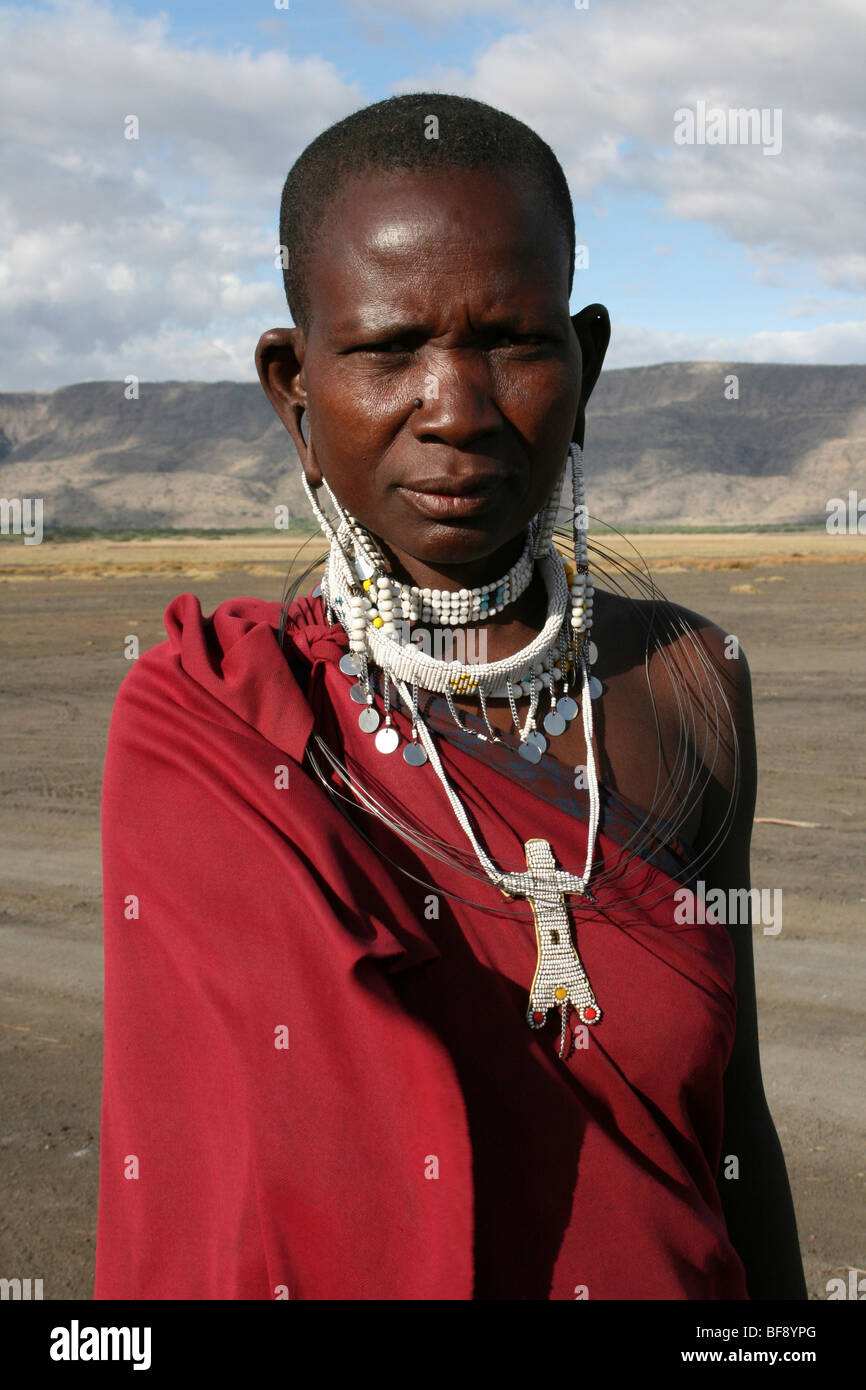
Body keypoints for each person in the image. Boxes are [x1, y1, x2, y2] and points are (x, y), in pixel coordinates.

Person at [94, 93, 806, 1300]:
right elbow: (193, 1181)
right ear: (293, 387)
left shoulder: (690, 682)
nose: (459, 410)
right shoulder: (213, 720)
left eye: (514, 342)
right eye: (385, 349)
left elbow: (728, 1124)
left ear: (585, 360)